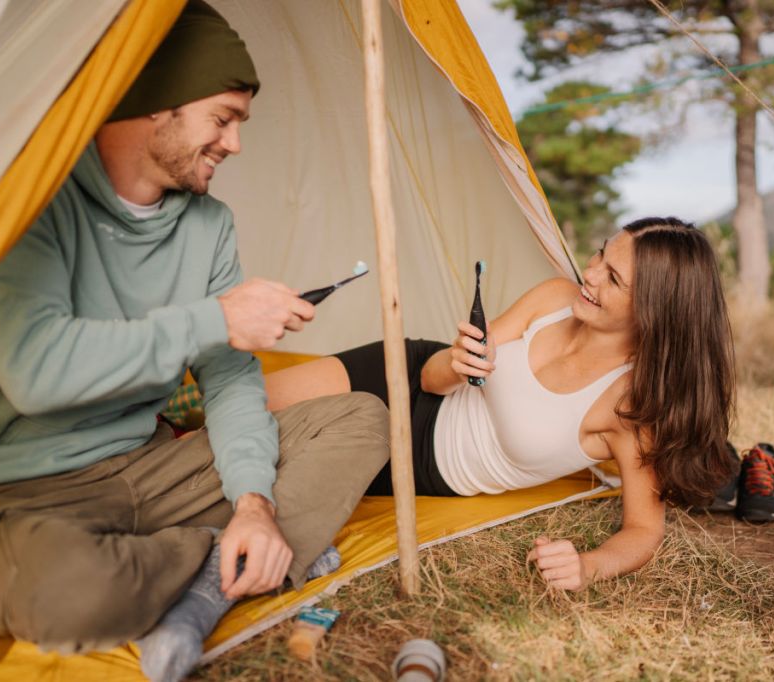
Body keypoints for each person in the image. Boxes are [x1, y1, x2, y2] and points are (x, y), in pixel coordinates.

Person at [0, 2, 389, 680]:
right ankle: (217, 555)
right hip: (12, 492)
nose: (235, 144)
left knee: (361, 419)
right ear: (155, 106)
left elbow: (229, 381)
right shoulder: (27, 199)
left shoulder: (209, 227)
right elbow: (34, 371)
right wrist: (215, 319)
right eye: (223, 118)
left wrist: (255, 502)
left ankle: (219, 567)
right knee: (70, 595)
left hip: (148, 470)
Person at [265, 217, 736, 591]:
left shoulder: (629, 408)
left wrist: (588, 566)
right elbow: (430, 379)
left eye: (612, 278)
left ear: (653, 311)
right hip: (412, 372)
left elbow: (642, 531)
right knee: (249, 404)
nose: (589, 274)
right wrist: (457, 361)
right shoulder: (555, 298)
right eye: (600, 253)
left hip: (423, 462)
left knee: (270, 454)